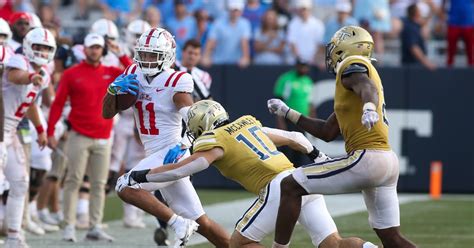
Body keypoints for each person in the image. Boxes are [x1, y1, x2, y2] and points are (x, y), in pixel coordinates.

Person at [122, 100, 377, 248]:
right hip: (302, 181)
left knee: (238, 245)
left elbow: (186, 168)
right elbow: (294, 137)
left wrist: (142, 176)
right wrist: (318, 157)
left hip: (279, 188)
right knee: (333, 244)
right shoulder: (248, 123)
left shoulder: (213, 138)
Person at [267, 26, 416, 248]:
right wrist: (288, 112)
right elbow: (327, 131)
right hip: (387, 160)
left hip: (368, 158)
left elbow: (365, 86)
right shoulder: (354, 87)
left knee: (290, 185)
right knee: (392, 238)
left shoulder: (351, 65)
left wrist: (368, 107)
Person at [102, 27, 229, 248]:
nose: (147, 59)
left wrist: (184, 144)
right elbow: (107, 113)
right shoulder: (133, 71)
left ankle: (177, 223)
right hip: (155, 153)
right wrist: (111, 91)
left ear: (167, 56)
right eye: (144, 54)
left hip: (173, 151)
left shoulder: (176, 80)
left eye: (154, 55)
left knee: (125, 186)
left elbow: (193, 118)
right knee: (203, 223)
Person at [47, 33, 130, 242]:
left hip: (104, 137)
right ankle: (69, 225)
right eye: (91, 47)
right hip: (79, 136)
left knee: (99, 184)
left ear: (103, 50)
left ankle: (94, 226)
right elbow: (58, 103)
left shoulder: (111, 72)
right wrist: (49, 132)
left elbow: (133, 74)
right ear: (85, 49)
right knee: (73, 180)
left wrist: (120, 54)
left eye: (98, 47)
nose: (94, 51)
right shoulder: (72, 73)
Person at [2, 27, 55, 247]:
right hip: (1, 124)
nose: (42, 52)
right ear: (27, 47)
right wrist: (31, 76)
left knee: (20, 183)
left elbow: (30, 102)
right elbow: (16, 76)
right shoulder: (19, 61)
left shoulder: (44, 74)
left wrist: (41, 129)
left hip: (11, 129)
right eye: (38, 47)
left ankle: (14, 236)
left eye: (46, 48)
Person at [272, 59, 314, 166]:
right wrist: (280, 122)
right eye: (301, 66)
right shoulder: (286, 79)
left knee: (301, 148)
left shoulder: (308, 81)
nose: (303, 69)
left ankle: (298, 175)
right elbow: (278, 102)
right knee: (287, 149)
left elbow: (310, 103)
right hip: (288, 119)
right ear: (296, 66)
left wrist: (312, 122)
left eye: (305, 66)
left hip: (303, 120)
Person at [202, 0, 251, 67]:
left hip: (236, 64)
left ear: (241, 11)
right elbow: (211, 41)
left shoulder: (245, 24)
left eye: (237, 10)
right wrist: (206, 56)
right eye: (233, 10)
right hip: (218, 62)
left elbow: (244, 43)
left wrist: (245, 57)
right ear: (229, 10)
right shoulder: (218, 23)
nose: (235, 13)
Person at [400, 4, 436, 70]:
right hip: (412, 67)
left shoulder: (415, 25)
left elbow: (425, 21)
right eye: (420, 10)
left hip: (415, 66)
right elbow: (414, 48)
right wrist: (426, 62)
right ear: (416, 13)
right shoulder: (410, 28)